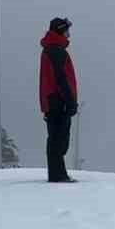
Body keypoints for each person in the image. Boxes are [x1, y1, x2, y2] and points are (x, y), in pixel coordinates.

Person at [38, 16, 79, 183]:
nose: (69, 34)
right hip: (58, 100)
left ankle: (58, 173)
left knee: (57, 137)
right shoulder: (56, 51)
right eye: (67, 30)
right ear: (61, 31)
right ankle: (57, 175)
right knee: (58, 139)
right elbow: (61, 79)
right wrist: (70, 101)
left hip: (52, 99)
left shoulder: (52, 49)